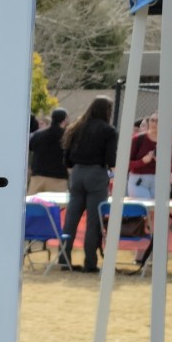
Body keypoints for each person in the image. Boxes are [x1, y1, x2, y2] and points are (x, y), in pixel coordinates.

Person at [62, 95, 118, 272]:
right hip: (97, 173)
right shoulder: (108, 131)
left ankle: (64, 259)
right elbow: (111, 159)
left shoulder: (75, 127)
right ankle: (90, 262)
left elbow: (67, 158)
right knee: (94, 221)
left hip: (77, 173)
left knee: (71, 219)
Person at [27, 109, 68, 195]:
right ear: (64, 120)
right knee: (57, 206)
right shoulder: (66, 136)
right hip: (58, 178)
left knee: (33, 205)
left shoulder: (38, 135)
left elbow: (30, 147)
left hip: (38, 176)